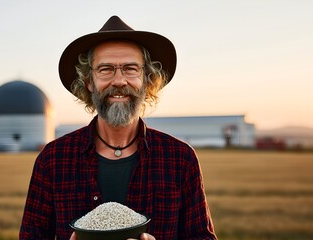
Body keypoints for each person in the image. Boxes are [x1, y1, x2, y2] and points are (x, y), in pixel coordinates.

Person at [19, 16, 217, 240]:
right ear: (89, 81)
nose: (119, 81)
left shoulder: (180, 159)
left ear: (147, 79)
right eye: (105, 69)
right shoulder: (53, 159)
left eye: (131, 69)